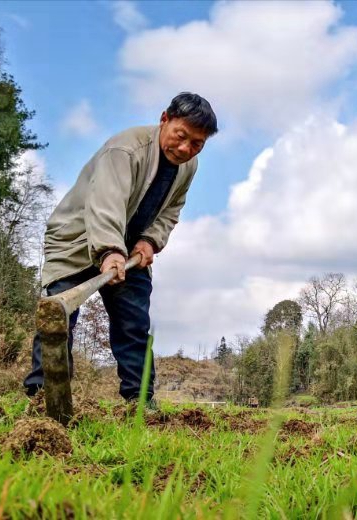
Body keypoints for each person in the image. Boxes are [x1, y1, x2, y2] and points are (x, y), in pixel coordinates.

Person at [23, 92, 218, 404]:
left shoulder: (188, 166)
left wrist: (150, 240)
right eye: (181, 136)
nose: (185, 149)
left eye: (197, 144)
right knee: (58, 318)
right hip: (76, 240)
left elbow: (171, 210)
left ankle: (139, 402)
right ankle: (41, 396)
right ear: (164, 120)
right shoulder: (125, 149)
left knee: (133, 323)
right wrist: (109, 250)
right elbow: (105, 204)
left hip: (128, 251)